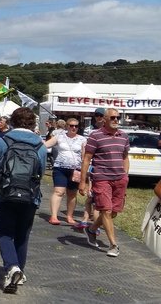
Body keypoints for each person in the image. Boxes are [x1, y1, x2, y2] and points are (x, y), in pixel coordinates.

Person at [0, 107, 47, 293]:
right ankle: (19, 271)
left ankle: (11, 266)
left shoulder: (3, 141)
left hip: (5, 194)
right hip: (30, 195)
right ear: (33, 123)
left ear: (12, 121)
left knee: (5, 232)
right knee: (22, 234)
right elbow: (41, 171)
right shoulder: (40, 144)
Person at [79, 107, 130, 258]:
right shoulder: (96, 136)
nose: (116, 120)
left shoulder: (124, 136)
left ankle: (92, 229)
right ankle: (113, 245)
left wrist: (125, 176)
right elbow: (87, 159)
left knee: (113, 212)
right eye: (113, 117)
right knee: (106, 210)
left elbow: (125, 157)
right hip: (101, 178)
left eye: (118, 117)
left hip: (120, 179)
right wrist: (83, 182)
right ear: (105, 119)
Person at [44, 117, 86, 225]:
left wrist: (84, 171)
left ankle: (70, 216)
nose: (74, 128)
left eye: (76, 126)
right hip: (60, 168)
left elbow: (84, 156)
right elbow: (45, 145)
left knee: (72, 194)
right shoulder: (59, 137)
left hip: (75, 170)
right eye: (71, 125)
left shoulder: (82, 139)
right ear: (67, 126)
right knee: (59, 191)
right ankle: (53, 216)